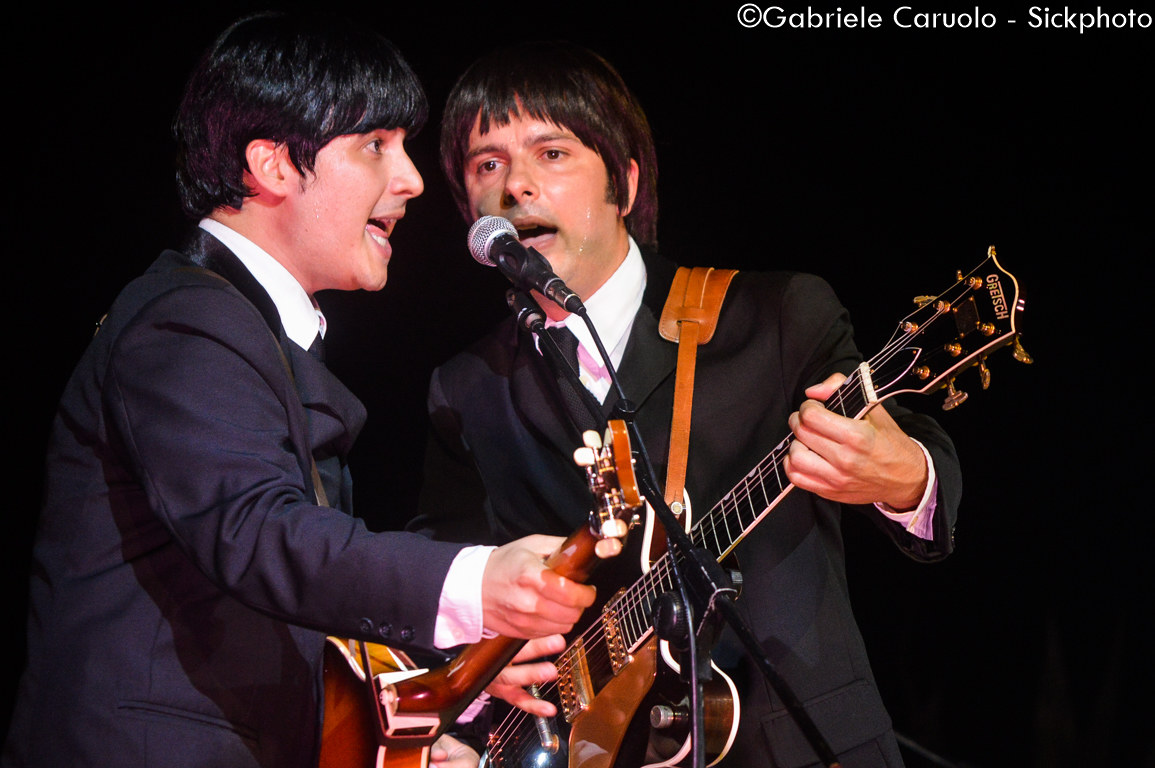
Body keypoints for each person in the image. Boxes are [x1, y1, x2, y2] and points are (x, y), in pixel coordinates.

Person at [2, 16, 602, 768]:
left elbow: (281, 599)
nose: (412, 179)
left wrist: (448, 669)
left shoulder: (249, 329)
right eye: (375, 145)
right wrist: (476, 580)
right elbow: (256, 531)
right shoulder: (187, 318)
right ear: (274, 165)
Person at [411, 41, 962, 767]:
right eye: (488, 165)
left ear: (625, 183)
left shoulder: (774, 316)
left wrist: (903, 477)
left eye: (551, 154)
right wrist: (475, 679)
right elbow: (446, 587)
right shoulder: (466, 388)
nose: (516, 186)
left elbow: (922, 466)